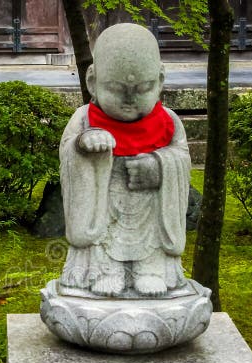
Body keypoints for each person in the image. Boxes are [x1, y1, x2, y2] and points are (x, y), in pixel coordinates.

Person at [59, 23, 191, 298]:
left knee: (152, 239)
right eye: (116, 89)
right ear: (92, 81)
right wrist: (84, 145)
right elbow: (68, 155)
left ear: (160, 81)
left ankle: (152, 269)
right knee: (102, 235)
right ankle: (104, 271)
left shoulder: (168, 123)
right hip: (104, 210)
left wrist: (160, 166)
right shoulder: (85, 119)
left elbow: (181, 159)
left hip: (149, 216)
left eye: (143, 88)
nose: (130, 99)